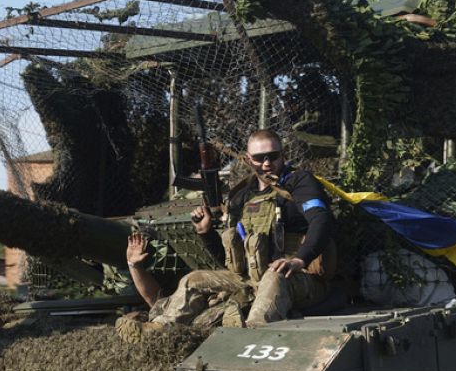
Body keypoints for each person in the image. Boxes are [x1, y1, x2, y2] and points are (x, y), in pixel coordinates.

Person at [127, 129, 336, 328]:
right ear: (247, 158)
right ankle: (161, 329)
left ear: (283, 155)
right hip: (248, 279)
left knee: (274, 276)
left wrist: (300, 259)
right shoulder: (241, 196)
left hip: (297, 277)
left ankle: (254, 331)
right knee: (193, 280)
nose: (266, 163)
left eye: (273, 156)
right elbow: (228, 258)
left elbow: (321, 220)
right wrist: (206, 232)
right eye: (259, 158)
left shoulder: (299, 182)